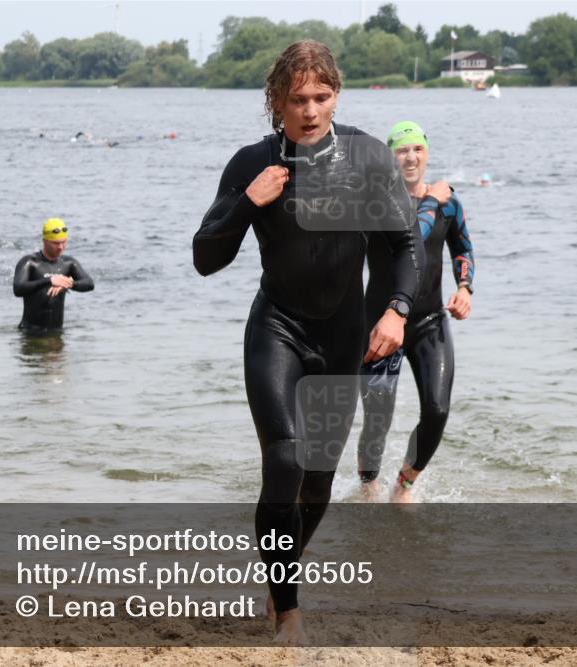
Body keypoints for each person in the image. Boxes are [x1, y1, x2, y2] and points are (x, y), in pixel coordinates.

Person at [193, 40, 423, 644]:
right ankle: (289, 609)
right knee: (285, 459)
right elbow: (204, 259)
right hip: (278, 328)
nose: (311, 109)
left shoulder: (370, 159)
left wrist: (397, 310)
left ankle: (279, 577)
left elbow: (404, 246)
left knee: (318, 481)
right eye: (297, 99)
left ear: (336, 96)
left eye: (321, 97)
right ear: (276, 101)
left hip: (344, 336)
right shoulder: (253, 162)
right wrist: (247, 203)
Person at [357, 121, 474, 502]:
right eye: (402, 150)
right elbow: (414, 238)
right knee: (378, 420)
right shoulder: (380, 204)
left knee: (437, 409)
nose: (411, 157)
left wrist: (464, 288)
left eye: (417, 149)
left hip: (428, 321)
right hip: (381, 324)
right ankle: (368, 484)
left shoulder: (448, 203)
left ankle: (405, 482)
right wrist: (431, 202)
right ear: (391, 159)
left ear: (427, 152)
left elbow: (462, 248)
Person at [13, 218, 94, 334]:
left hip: (56, 332)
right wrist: (49, 280)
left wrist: (67, 283)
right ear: (45, 241)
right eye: (56, 243)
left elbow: (89, 283)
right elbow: (18, 288)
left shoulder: (68, 263)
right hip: (30, 332)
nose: (61, 247)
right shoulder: (30, 262)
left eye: (64, 242)